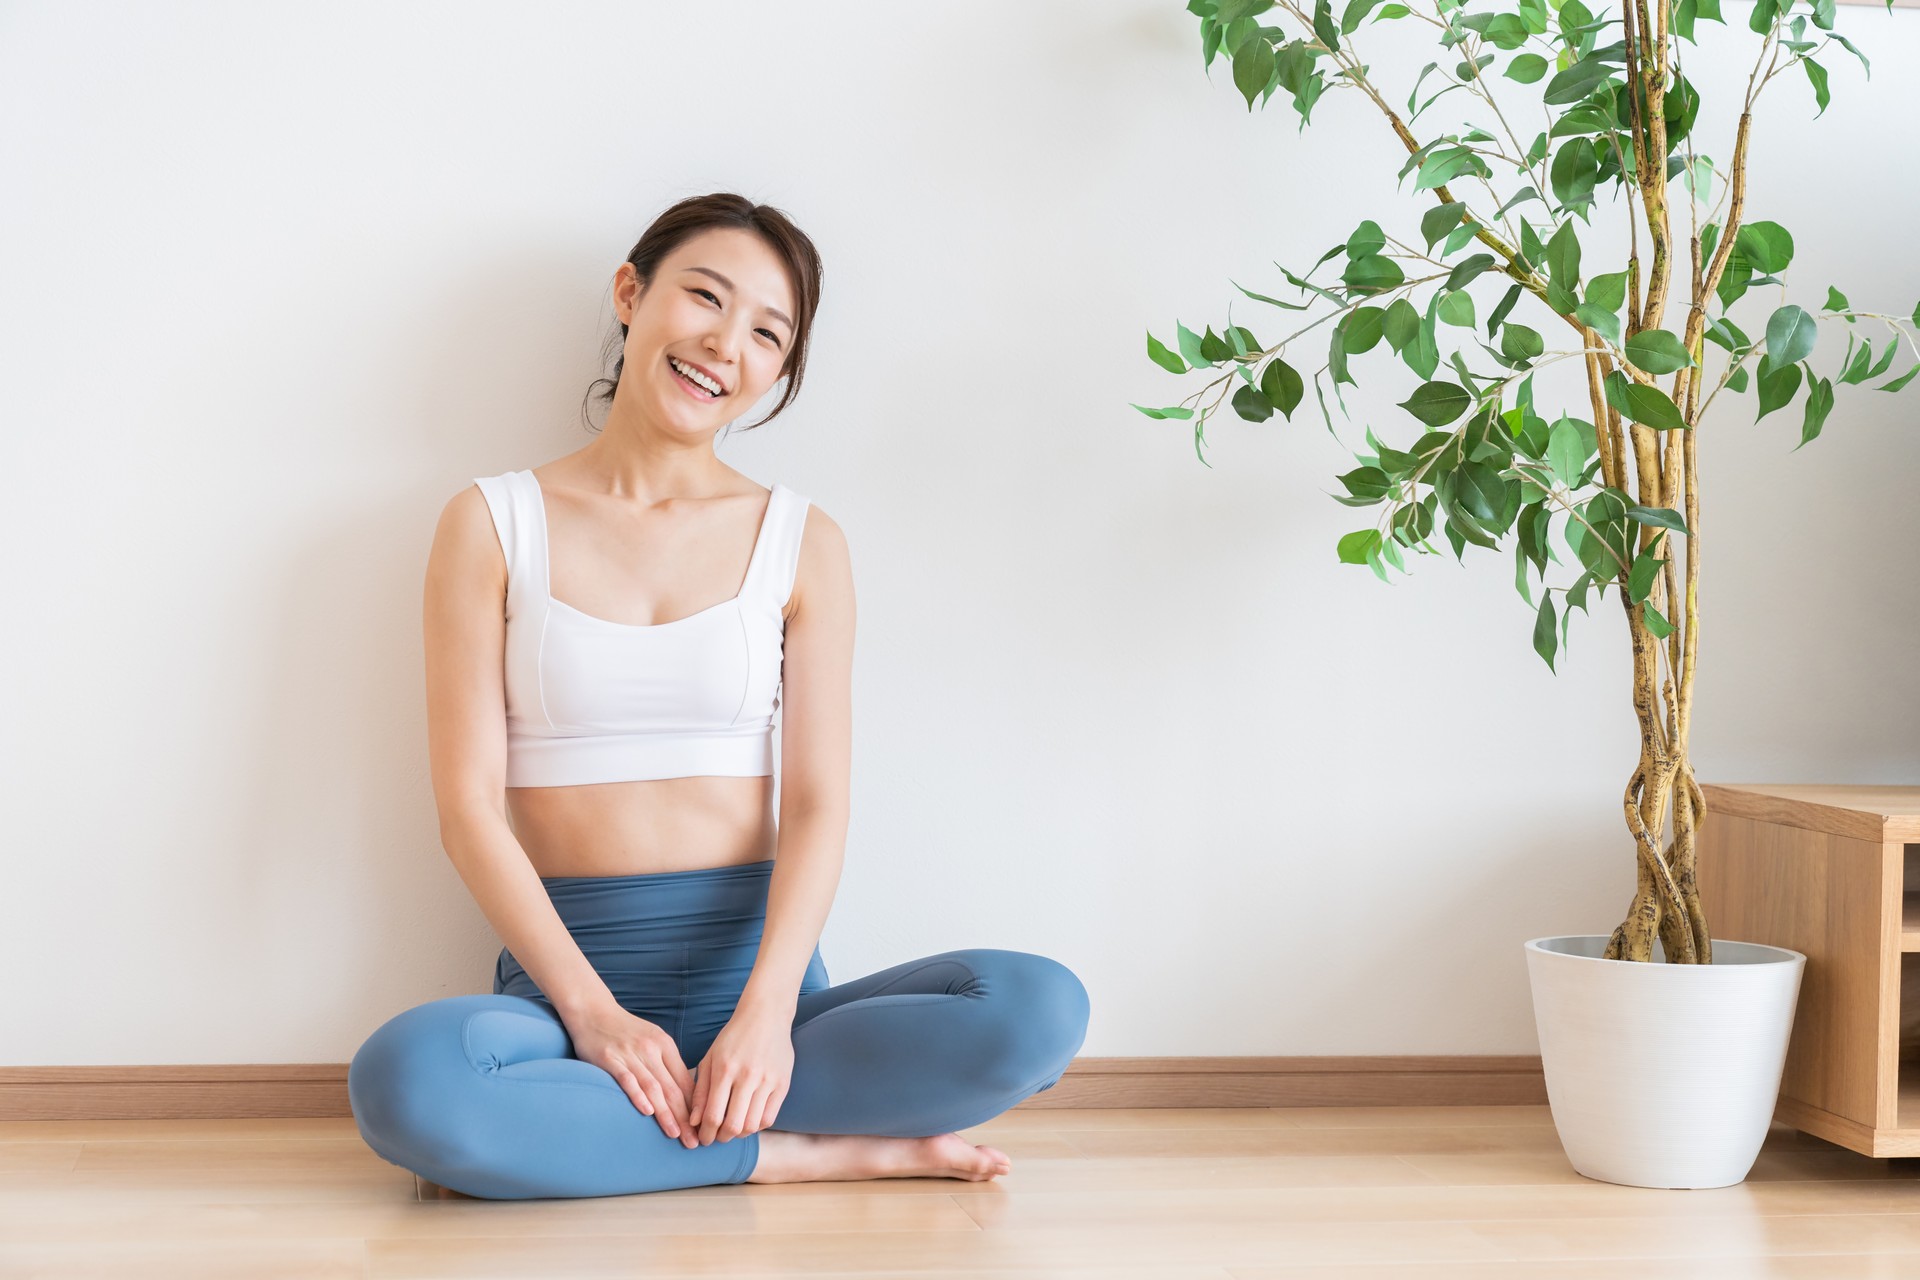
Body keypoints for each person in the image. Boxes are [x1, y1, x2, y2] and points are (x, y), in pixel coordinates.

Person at [347, 193, 1091, 1200]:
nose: (723, 343)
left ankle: (612, 1138)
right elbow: (469, 808)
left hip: (769, 1001)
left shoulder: (804, 541)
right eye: (705, 295)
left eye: (767, 333)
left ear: (779, 372)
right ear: (630, 292)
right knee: (407, 1083)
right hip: (567, 1006)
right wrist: (597, 1016)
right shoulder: (490, 522)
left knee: (1038, 1007)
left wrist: (765, 1014)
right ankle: (803, 1151)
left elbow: (820, 803)